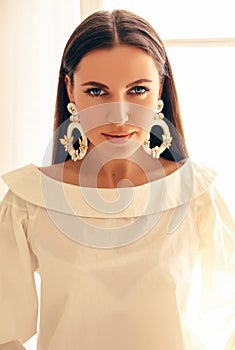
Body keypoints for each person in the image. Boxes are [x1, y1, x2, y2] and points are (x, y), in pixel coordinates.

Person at [0, 9, 235, 350]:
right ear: (71, 89)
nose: (120, 114)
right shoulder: (28, 201)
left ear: (160, 91)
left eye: (138, 89)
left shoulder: (195, 193)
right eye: (97, 92)